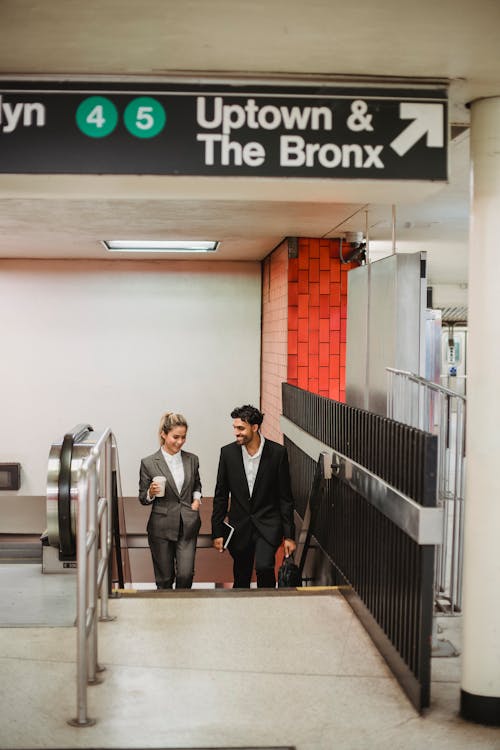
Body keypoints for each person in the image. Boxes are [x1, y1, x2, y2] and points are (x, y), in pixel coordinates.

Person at [211, 404, 296, 588]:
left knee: (265, 567)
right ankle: (242, 614)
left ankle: (267, 610)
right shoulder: (228, 453)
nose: (236, 432)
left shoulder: (277, 453)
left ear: (255, 427)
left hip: (268, 524)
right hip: (239, 527)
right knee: (241, 577)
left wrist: (289, 535)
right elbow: (221, 495)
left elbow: (285, 497)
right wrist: (217, 531)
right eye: (234, 428)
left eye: (241, 428)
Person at [138, 411, 202, 589]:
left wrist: (197, 499)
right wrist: (150, 492)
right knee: (165, 578)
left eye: (183, 437)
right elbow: (143, 498)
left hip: (188, 524)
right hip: (161, 527)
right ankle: (165, 614)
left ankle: (184, 613)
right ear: (163, 434)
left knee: (185, 574)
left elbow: (196, 484)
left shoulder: (192, 459)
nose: (180, 442)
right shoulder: (149, 463)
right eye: (176, 437)